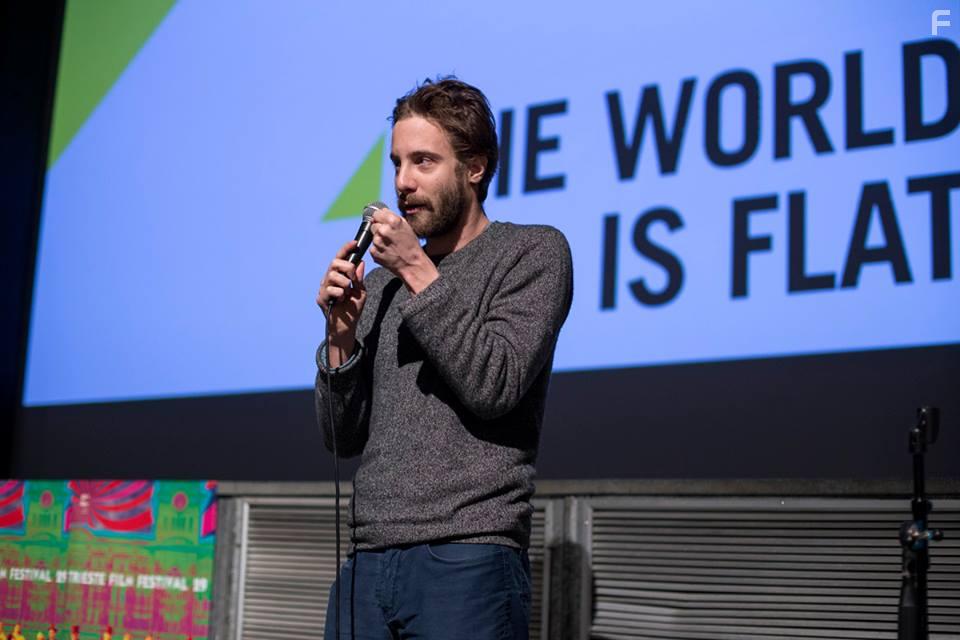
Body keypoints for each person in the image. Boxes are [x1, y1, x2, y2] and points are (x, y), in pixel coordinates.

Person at [315, 77, 573, 639]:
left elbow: (494, 385)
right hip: (368, 559)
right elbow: (340, 437)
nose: (402, 183)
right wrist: (341, 339)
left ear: (474, 167)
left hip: (467, 559)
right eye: (397, 163)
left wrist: (417, 271)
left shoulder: (531, 251)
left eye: (424, 162)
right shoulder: (380, 286)